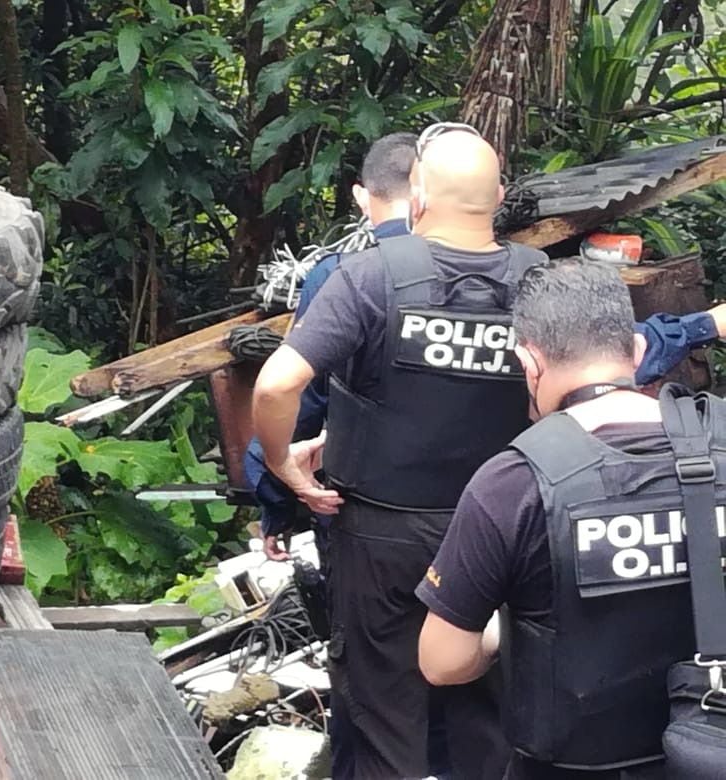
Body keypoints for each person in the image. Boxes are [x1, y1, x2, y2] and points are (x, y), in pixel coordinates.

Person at [254, 123, 544, 778]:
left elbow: (276, 383)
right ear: (499, 197)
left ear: (415, 196)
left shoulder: (368, 278)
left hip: (382, 538)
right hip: (502, 532)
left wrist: (281, 463)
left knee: (384, 716)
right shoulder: (537, 282)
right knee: (492, 714)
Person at [416, 259, 726, 780]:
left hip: (577, 764)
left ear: (528, 362)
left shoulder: (514, 483)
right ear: (637, 350)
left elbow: (442, 661)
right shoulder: (719, 442)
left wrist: (501, 636)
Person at [242, 132, 417, 562]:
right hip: (468, 514)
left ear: (361, 196)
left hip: (362, 513)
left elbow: (299, 396)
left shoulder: (344, 276)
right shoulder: (499, 273)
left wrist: (277, 503)